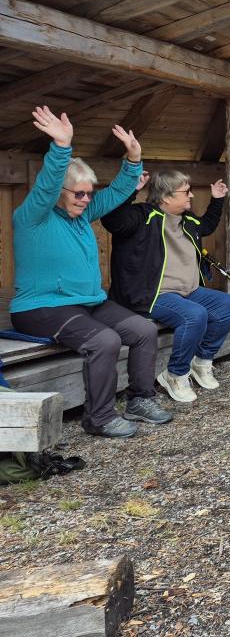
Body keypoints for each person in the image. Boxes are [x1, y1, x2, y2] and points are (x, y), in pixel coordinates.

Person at [10, 106, 172, 439]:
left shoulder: (82, 215)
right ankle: (99, 417)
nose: (85, 200)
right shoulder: (34, 217)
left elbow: (115, 194)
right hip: (41, 308)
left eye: (88, 194)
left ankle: (140, 400)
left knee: (143, 329)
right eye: (78, 193)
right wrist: (61, 148)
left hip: (86, 302)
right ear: (59, 192)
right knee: (104, 340)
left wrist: (133, 160)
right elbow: (47, 183)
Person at [101, 170, 230, 403]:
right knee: (194, 315)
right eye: (185, 192)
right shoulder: (141, 217)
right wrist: (130, 191)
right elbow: (112, 220)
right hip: (153, 294)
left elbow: (206, 226)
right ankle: (175, 374)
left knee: (228, 304)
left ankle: (202, 362)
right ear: (165, 197)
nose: (191, 195)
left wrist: (217, 199)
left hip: (188, 291)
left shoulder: (186, 220)